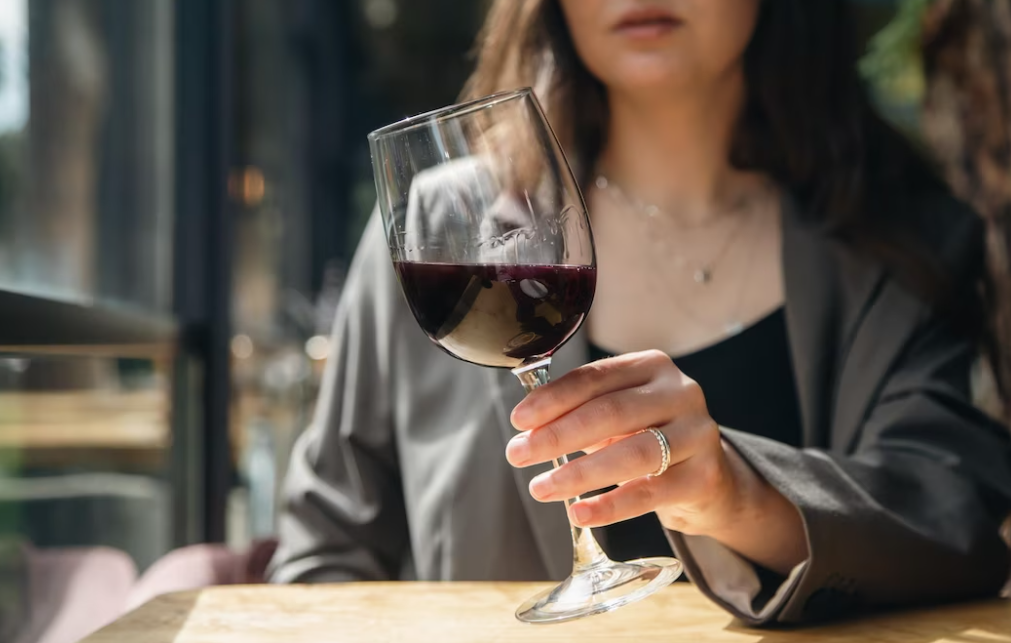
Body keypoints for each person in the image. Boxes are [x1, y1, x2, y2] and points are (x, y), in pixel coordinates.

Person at [268, 0, 1011, 625]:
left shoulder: (902, 242)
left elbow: (951, 517)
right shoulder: (436, 230)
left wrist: (737, 493)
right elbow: (321, 554)